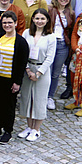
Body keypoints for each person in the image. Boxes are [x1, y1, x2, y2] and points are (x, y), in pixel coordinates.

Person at [0, 11, 30, 143]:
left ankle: (8, 130)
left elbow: (22, 63)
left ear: (16, 23)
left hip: (10, 79)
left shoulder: (21, 42)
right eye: (4, 22)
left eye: (10, 22)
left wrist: (17, 82)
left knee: (9, 106)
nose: (7, 25)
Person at [18, 9, 56, 142]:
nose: (40, 21)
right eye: (37, 18)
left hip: (42, 70)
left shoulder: (51, 36)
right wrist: (28, 70)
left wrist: (39, 73)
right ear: (33, 19)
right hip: (28, 67)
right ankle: (29, 127)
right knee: (27, 98)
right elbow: (22, 52)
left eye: (42, 19)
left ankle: (36, 129)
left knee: (39, 100)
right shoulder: (27, 33)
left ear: (47, 21)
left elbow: (50, 58)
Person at [48, 0, 75, 106]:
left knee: (55, 73)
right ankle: (42, 95)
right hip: (50, 43)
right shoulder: (50, 9)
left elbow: (71, 30)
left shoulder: (71, 13)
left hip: (63, 45)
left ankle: (50, 97)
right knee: (47, 71)